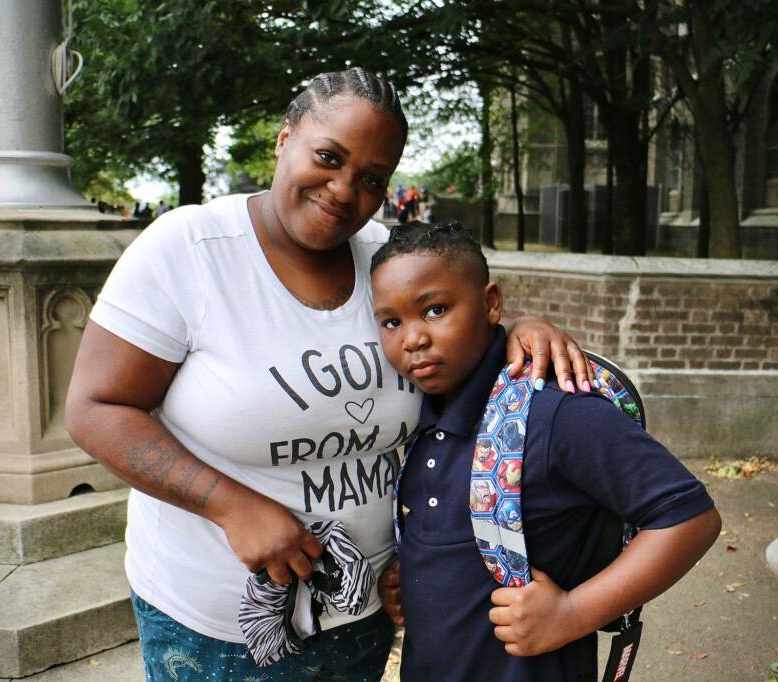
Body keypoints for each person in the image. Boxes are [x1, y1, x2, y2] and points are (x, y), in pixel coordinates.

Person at [65, 68, 592, 681]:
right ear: (284, 138)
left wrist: (520, 328)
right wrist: (233, 507)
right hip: (220, 625)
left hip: (365, 610)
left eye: (372, 179)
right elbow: (95, 407)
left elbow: (452, 325)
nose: (345, 190)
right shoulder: (189, 250)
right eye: (328, 156)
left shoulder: (385, 258)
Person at [368, 221, 722, 682]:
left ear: (491, 302)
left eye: (435, 310)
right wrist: (417, 574)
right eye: (392, 322)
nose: (412, 338)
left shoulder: (558, 413)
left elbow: (690, 519)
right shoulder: (418, 416)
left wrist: (572, 613)